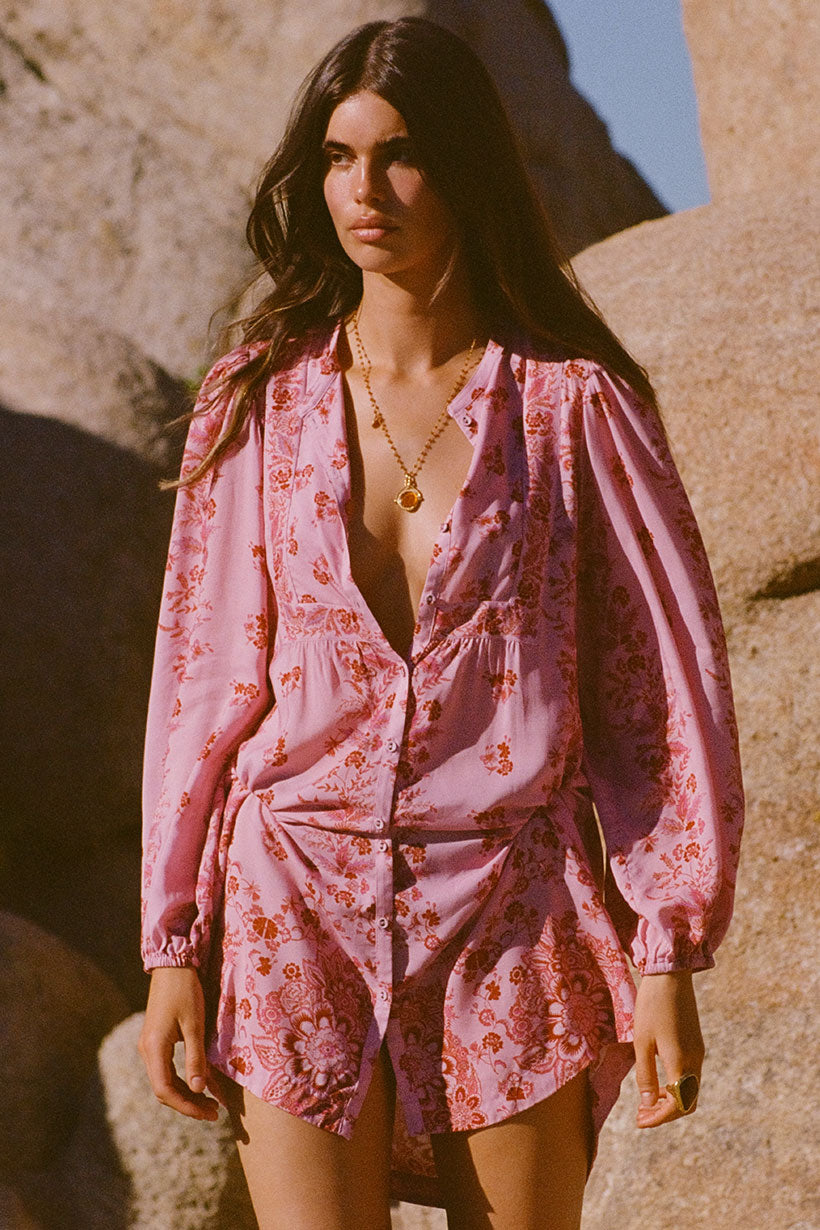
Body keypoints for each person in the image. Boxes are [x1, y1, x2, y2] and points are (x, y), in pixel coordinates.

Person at [137, 17, 744, 1230]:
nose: (363, 190)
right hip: (289, 896)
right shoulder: (259, 399)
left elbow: (658, 696)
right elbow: (203, 679)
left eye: (400, 153)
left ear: (466, 168)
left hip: (509, 907)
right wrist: (170, 942)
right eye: (337, 157)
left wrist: (667, 951)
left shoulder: (576, 409)